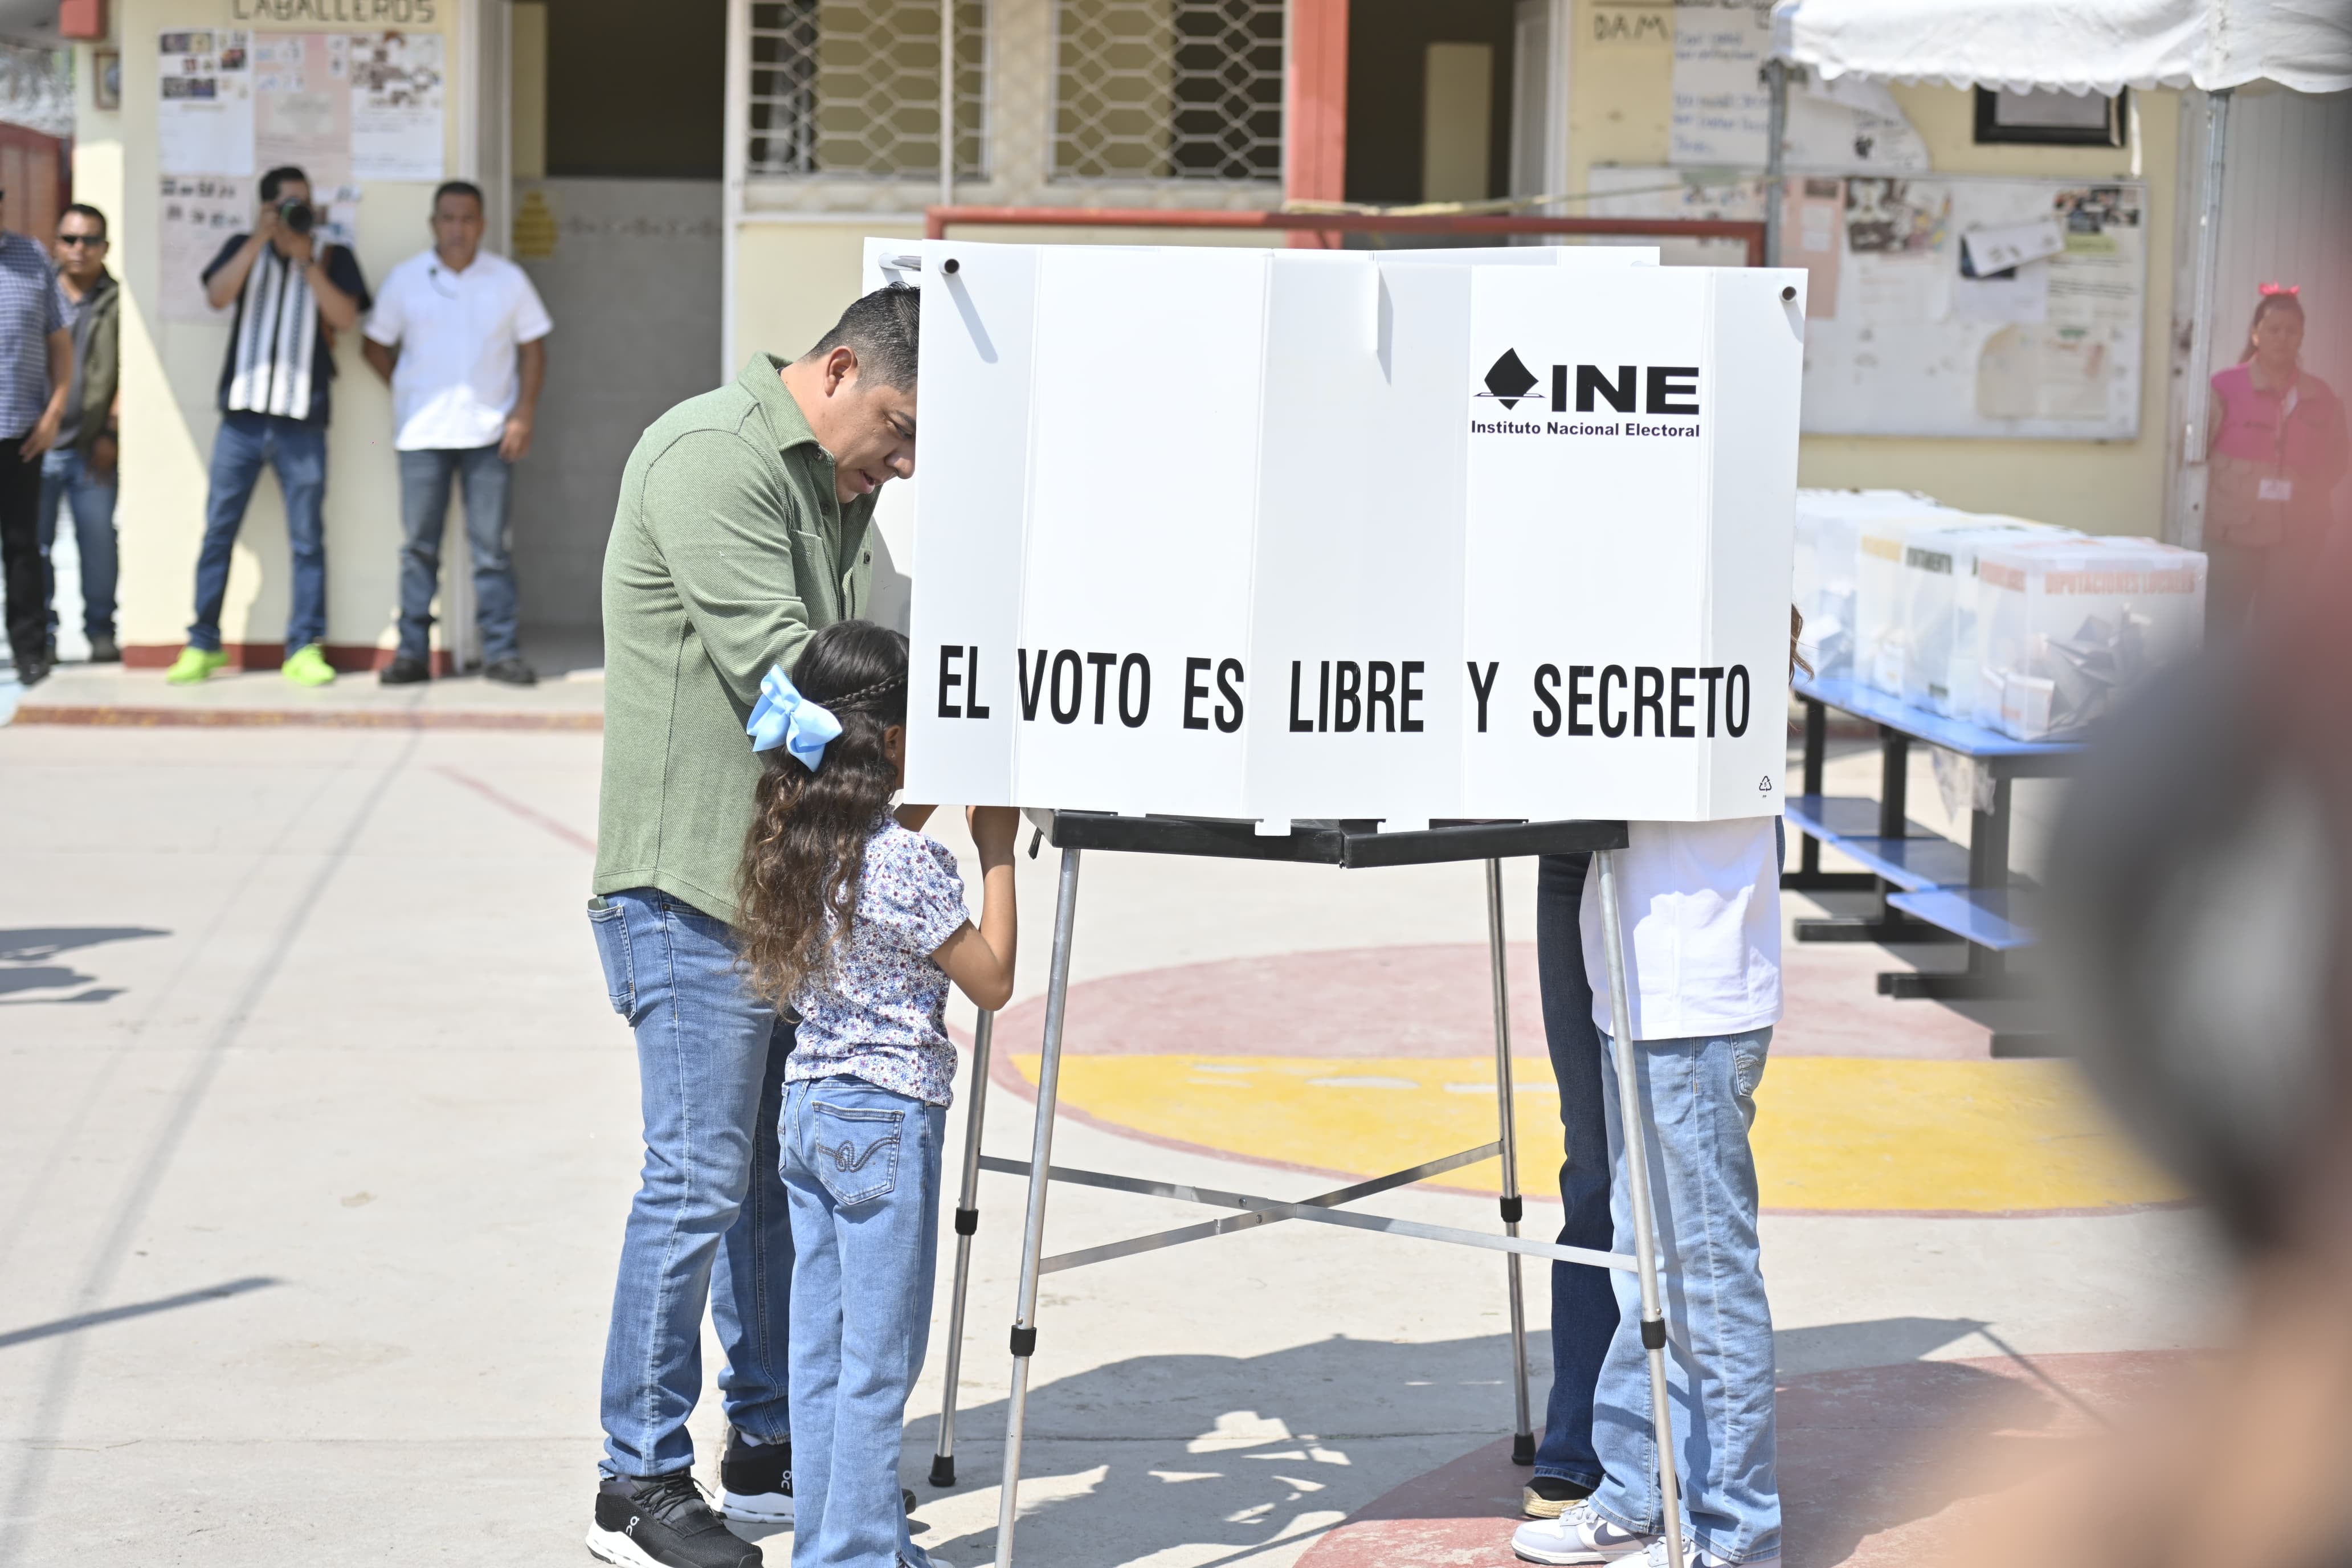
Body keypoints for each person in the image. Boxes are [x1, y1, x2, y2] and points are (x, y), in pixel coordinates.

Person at [585, 284, 920, 1568]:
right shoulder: (708, 459)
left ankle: (769, 1445)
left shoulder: (843, 488)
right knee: (696, 1182)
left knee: (777, 1192)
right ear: (835, 370)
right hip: (687, 891)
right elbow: (784, 680)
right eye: (892, 426)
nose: (899, 459)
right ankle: (636, 1476)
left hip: (786, 887)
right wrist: (920, 738)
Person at [733, 622, 1018, 1568]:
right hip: (884, 1116)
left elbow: (887, 833)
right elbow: (992, 978)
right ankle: (853, 1557)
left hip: (810, 1108)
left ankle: (836, 1542)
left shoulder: (806, 834)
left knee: (820, 1352)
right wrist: (998, 850)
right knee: (879, 1358)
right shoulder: (909, 865)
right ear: (893, 739)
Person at [1513, 815, 1783, 1568]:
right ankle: (1634, 1493)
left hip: (1690, 973)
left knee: (1703, 1272)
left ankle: (1735, 1533)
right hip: (1632, 961)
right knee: (1642, 1260)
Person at [166, 165, 369, 688]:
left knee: (307, 540)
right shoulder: (244, 246)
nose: (296, 214)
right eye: (285, 205)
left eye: (303, 203)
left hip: (304, 421)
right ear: (263, 207)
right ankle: (203, 642)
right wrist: (260, 237)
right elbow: (216, 294)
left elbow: (346, 318)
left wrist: (307, 265)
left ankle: (304, 646)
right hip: (242, 419)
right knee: (218, 532)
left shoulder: (331, 255)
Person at [361, 179, 551, 687]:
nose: (457, 229)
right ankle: (412, 653)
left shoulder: (507, 280)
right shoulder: (406, 281)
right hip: (421, 434)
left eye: (468, 219)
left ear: (482, 225)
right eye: (448, 219)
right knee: (418, 548)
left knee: (491, 549)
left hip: (489, 434)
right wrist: (407, 389)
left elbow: (534, 349)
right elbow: (374, 345)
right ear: (433, 224)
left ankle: (501, 652)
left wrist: (523, 414)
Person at [1522, 850, 1618, 1519]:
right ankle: (1577, 1441)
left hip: (1681, 849)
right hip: (1571, 845)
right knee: (1591, 1161)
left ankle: (1681, 1450)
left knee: (1674, 1175)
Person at [2204, 285, 2347, 629]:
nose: (2282, 338)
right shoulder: (2223, 388)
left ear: (2301, 338)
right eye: (2273, 329)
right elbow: (2196, 456)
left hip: (2298, 537)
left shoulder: (2322, 396)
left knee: (2279, 634)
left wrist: (2307, 491)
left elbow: (2339, 459)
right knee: (2223, 626)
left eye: (2292, 331)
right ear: (2255, 334)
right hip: (2233, 534)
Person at [39, 202, 121, 664]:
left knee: (98, 542)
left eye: (89, 240)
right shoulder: (37, 292)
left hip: (93, 445)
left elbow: (130, 370)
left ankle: (101, 631)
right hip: (40, 442)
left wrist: (111, 431)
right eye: (69, 239)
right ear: (56, 244)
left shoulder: (118, 299)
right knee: (36, 544)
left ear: (104, 247)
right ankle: (44, 635)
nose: (78, 250)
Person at [0, 185, 72, 688]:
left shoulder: (32, 258)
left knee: (23, 547)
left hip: (18, 432)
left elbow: (60, 342)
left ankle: (30, 649)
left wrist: (54, 413)